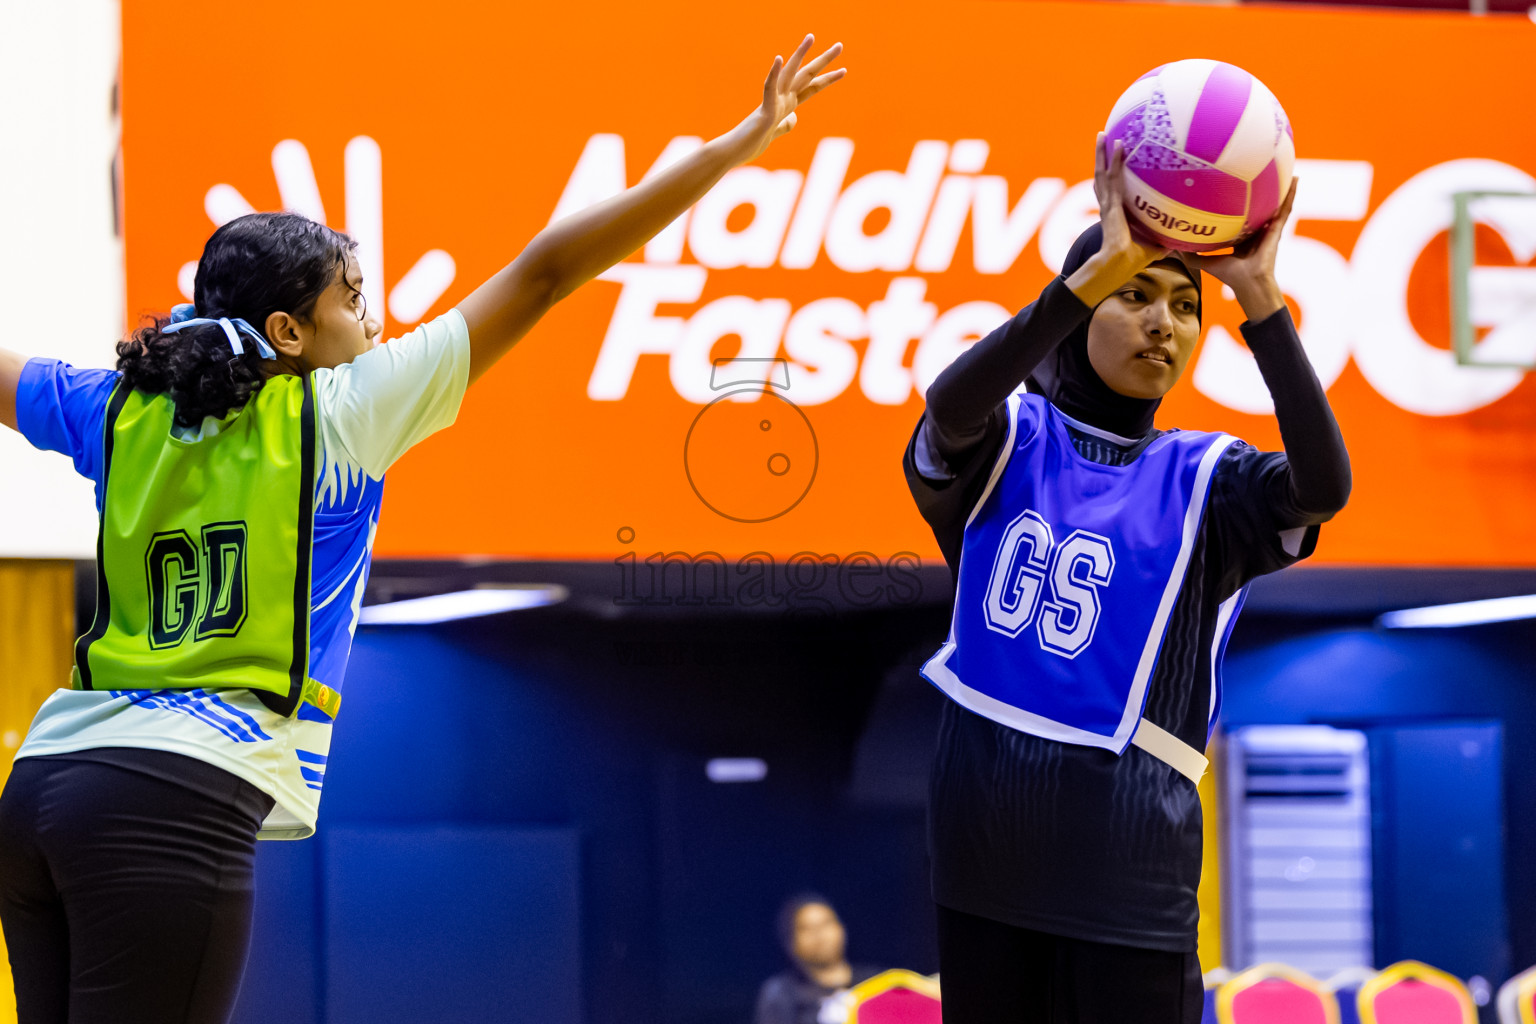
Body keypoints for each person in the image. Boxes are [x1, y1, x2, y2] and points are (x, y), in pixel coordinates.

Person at [0, 36, 845, 1024]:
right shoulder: (344, 409)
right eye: (352, 300)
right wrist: (734, 147)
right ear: (290, 333)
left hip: (43, 787)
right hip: (174, 797)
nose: (374, 319)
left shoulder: (115, 407)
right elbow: (545, 272)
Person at [903, 136, 1350, 1024]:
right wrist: (1081, 279)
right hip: (982, 850)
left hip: (1130, 872)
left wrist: (1259, 300)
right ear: (1077, 313)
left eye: (1185, 306)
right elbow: (950, 406)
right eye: (1132, 294)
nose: (1163, 323)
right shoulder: (1007, 440)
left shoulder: (1211, 481)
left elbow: (1324, 487)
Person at [754, 894, 882, 1024]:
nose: (819, 935)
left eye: (826, 923)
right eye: (807, 928)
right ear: (790, 942)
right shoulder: (781, 994)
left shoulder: (878, 983)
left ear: (841, 928)